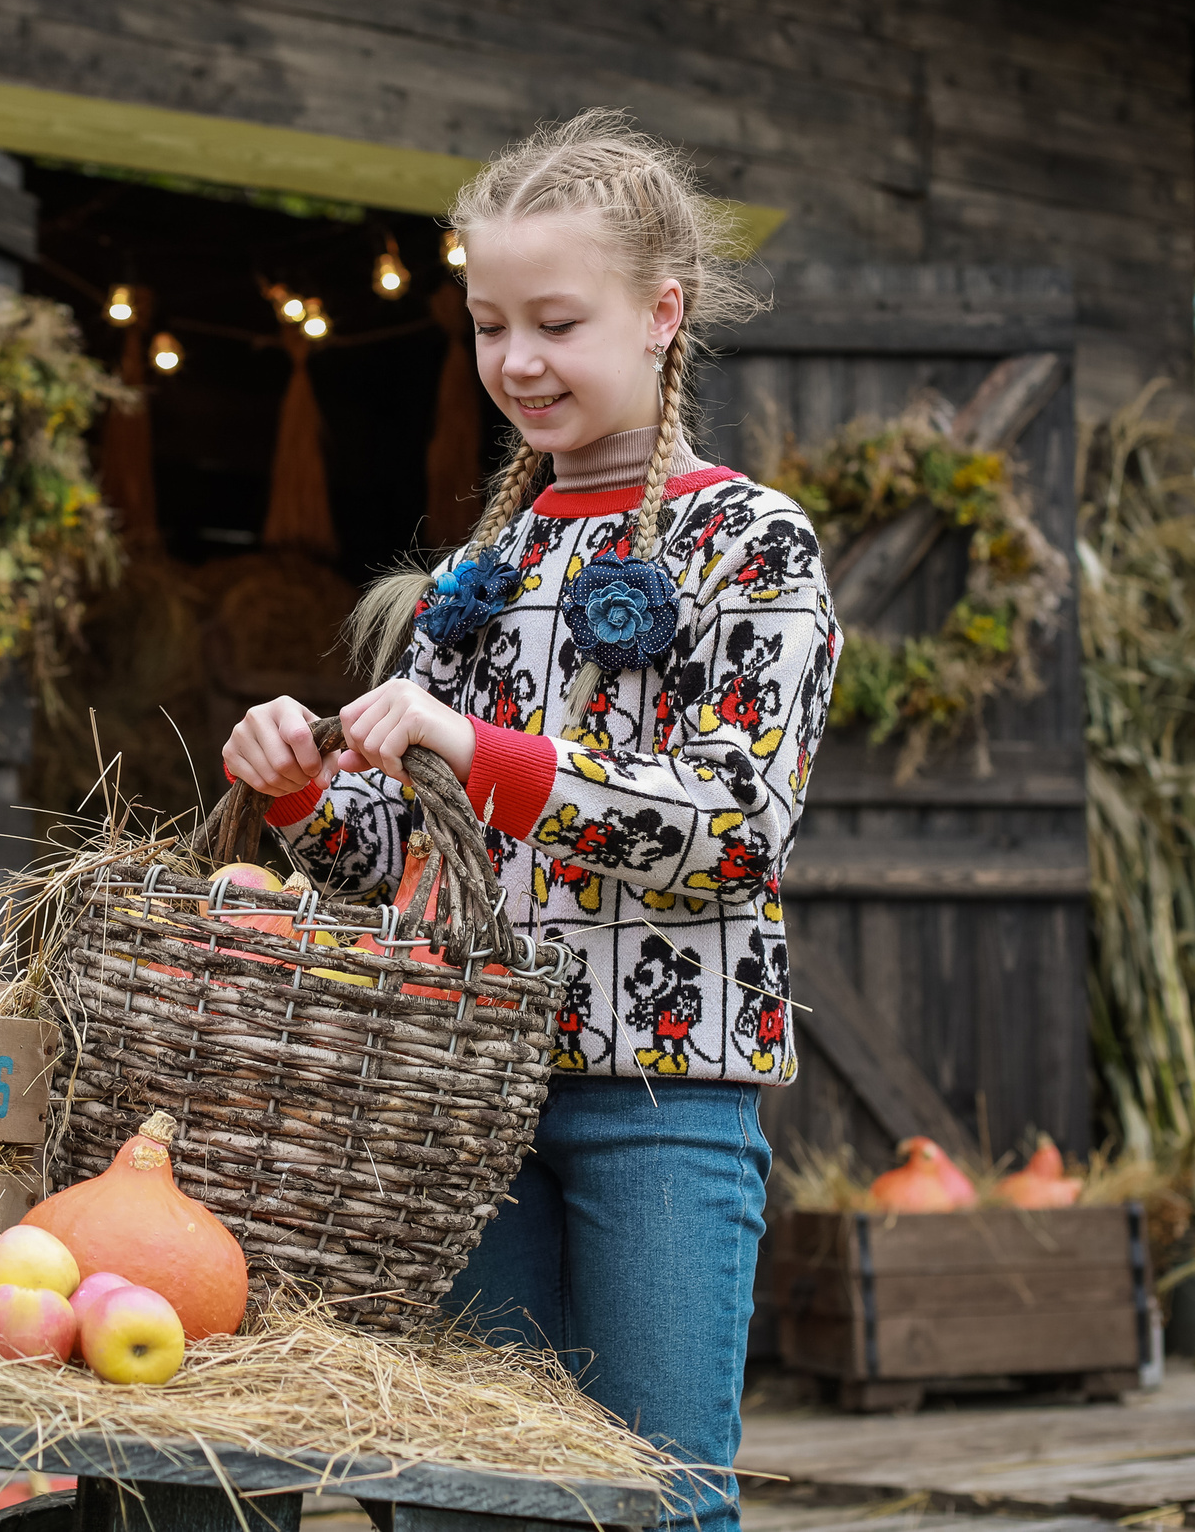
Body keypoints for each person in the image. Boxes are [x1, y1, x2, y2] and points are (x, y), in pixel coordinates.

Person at [221, 109, 836, 1531]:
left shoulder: (753, 541)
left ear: (661, 313)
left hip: (660, 1087)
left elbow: (735, 830)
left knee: (661, 1495)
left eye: (557, 322)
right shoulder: (483, 572)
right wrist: (308, 789)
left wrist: (476, 748)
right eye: (491, 324)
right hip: (461, 1094)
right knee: (471, 1499)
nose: (517, 362)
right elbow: (399, 857)